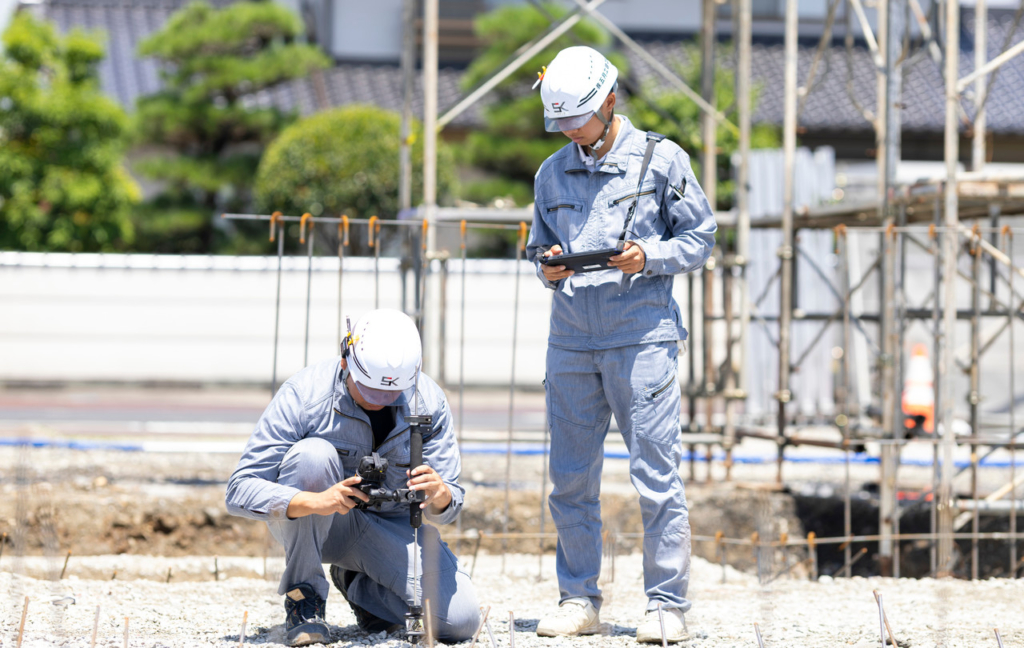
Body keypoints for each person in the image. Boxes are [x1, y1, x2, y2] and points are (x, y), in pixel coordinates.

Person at [526, 46, 717, 644]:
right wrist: (549, 267)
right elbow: (539, 248)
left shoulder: (663, 162)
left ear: (609, 102)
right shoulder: (551, 172)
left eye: (577, 119)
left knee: (656, 476)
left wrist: (649, 255)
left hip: (642, 340)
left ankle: (666, 605)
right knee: (570, 480)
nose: (569, 132)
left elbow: (702, 236)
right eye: (559, 123)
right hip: (572, 343)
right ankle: (578, 598)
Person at [225, 309, 480, 646]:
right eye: (370, 390)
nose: (381, 402)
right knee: (312, 456)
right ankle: (306, 599)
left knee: (458, 622)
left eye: (391, 394)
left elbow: (450, 507)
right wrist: (314, 501)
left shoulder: (430, 401)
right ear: (345, 360)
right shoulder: (304, 395)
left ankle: (359, 585)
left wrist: (440, 494)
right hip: (319, 524)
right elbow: (239, 490)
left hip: (388, 528)